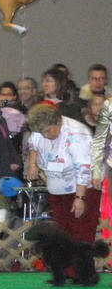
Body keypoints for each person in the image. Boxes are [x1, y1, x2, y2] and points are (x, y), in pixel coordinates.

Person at [26, 102, 99, 244]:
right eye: (42, 132)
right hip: (56, 190)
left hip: (82, 189)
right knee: (62, 236)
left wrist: (80, 198)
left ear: (58, 121)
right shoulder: (41, 130)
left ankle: (80, 266)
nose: (45, 135)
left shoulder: (77, 134)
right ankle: (65, 266)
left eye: (47, 131)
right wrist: (32, 165)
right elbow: (33, 143)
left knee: (80, 237)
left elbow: (84, 169)